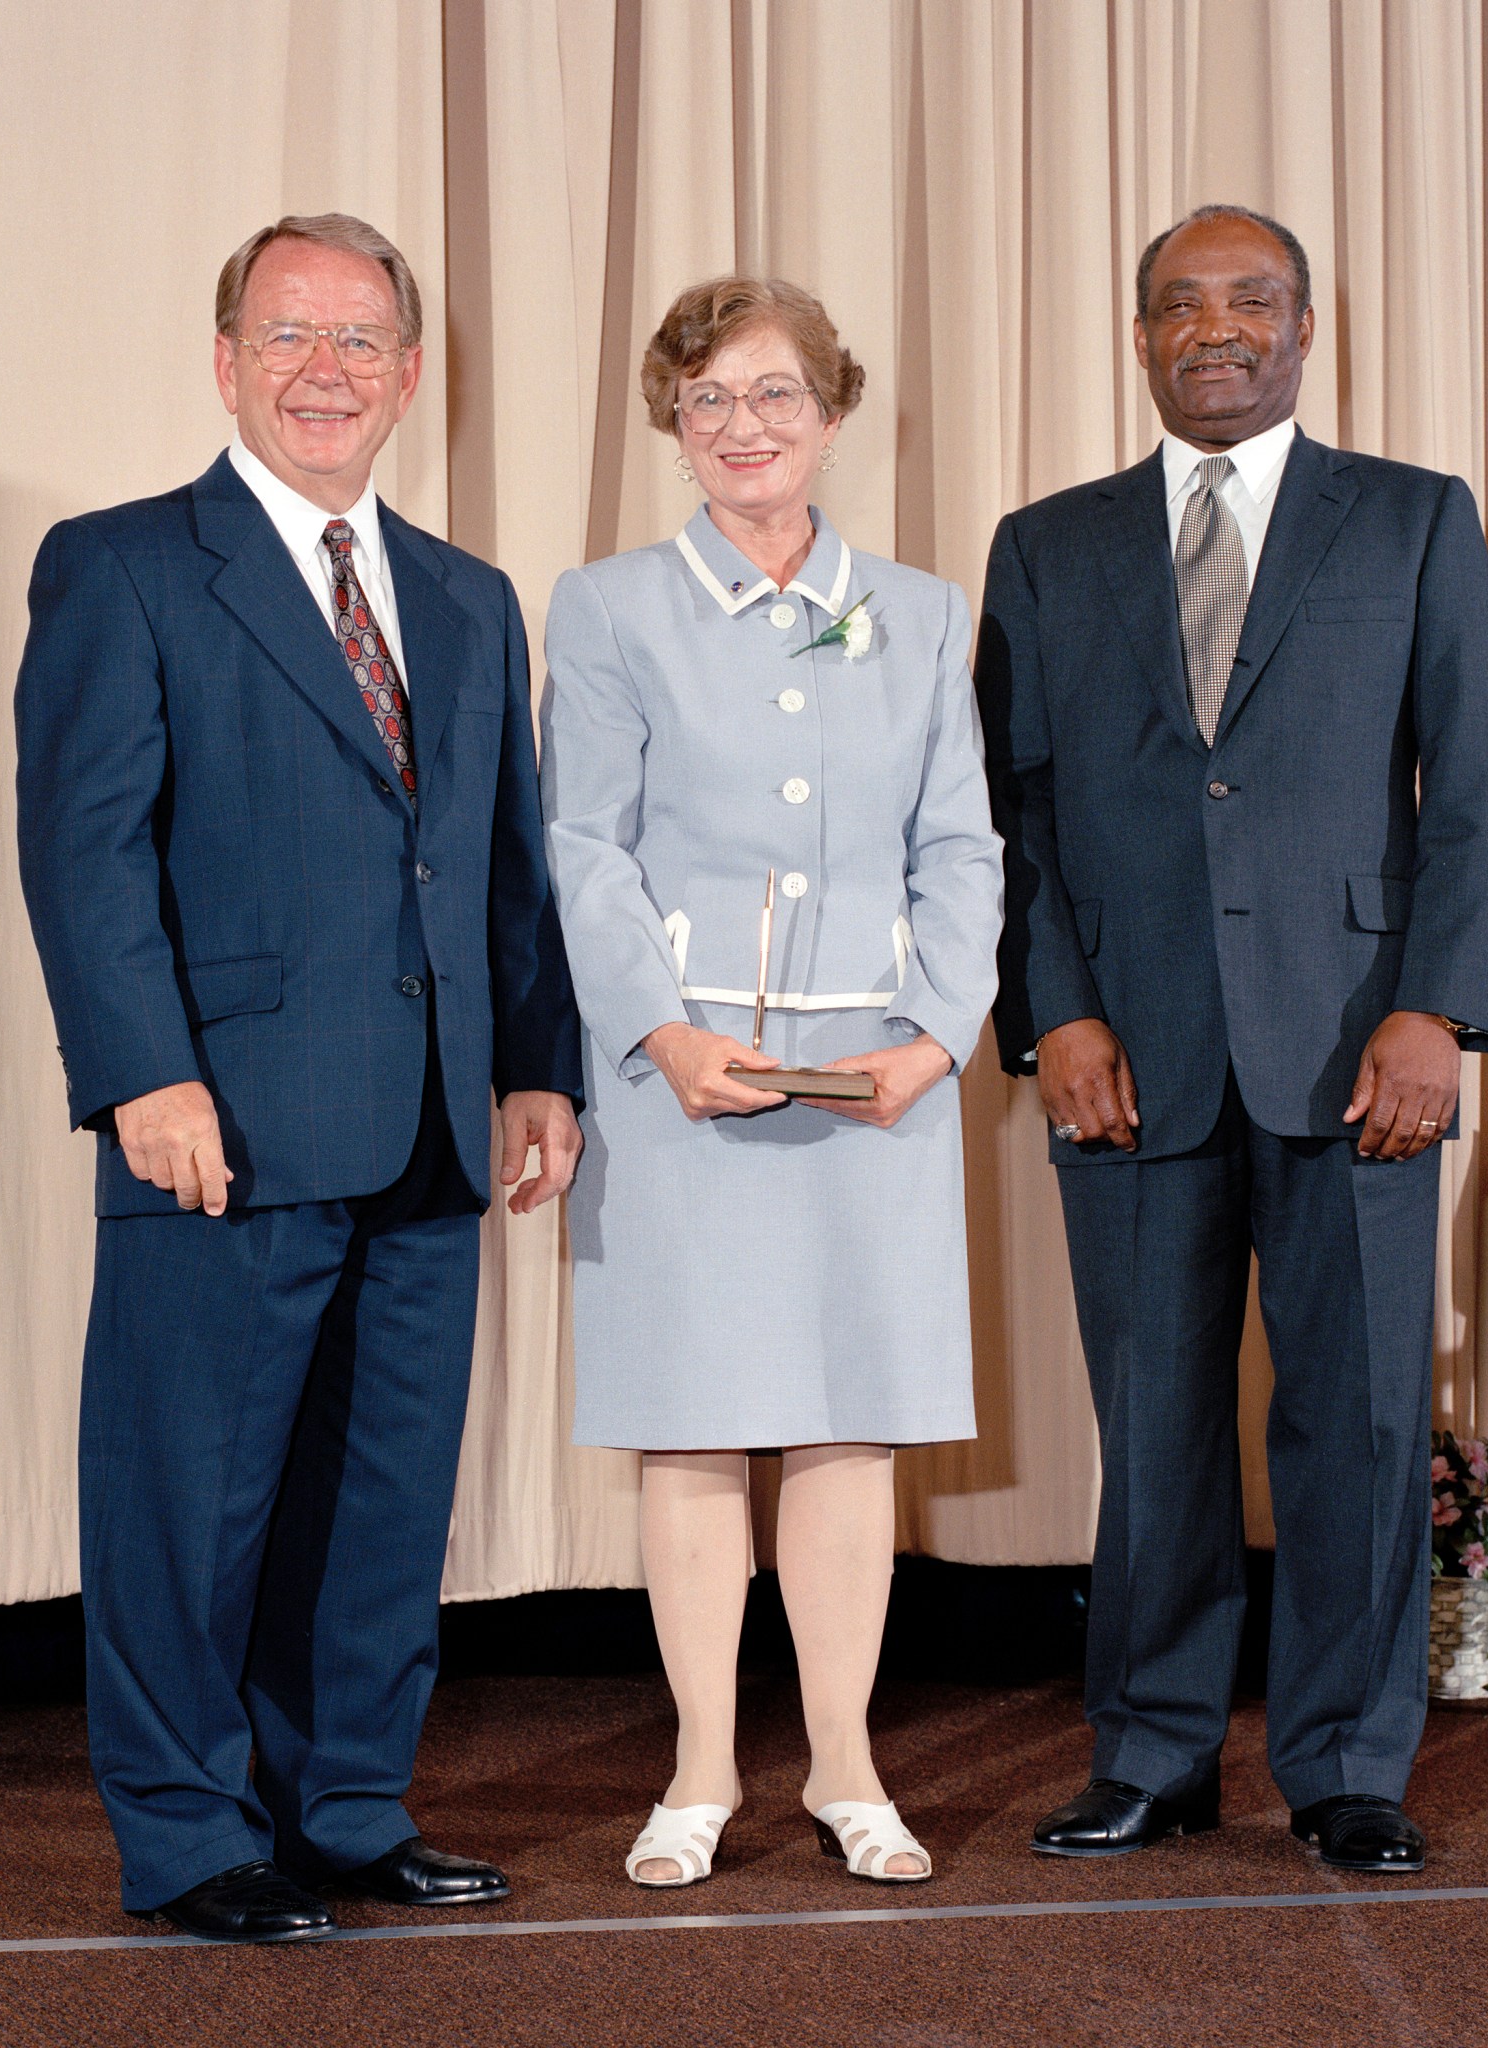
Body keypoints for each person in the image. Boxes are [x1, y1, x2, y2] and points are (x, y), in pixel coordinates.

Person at [15, 213, 582, 1943]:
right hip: (223, 1126)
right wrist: (141, 1080)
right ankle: (190, 1839)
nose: (325, 369)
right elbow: (84, 853)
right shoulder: (121, 566)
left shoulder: (470, 597)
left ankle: (343, 1805)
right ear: (225, 360)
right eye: (290, 336)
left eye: (360, 341)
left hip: (428, 1120)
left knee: (384, 1496)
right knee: (187, 1496)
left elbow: (502, 865)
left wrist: (538, 1069)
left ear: (411, 375)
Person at [976, 205, 1488, 1874]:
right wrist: (1055, 1011)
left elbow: (1477, 794)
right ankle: (1152, 1753)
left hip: (1364, 1049)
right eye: (1178, 305)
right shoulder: (1045, 546)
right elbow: (1016, 818)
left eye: (1252, 300)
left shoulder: (1416, 521)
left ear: (1306, 325)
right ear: (1138, 336)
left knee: (1357, 1421)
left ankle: (1349, 1764)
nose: (1216, 327)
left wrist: (1438, 1012)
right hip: (1124, 1065)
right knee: (1148, 1422)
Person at [542, 276, 1002, 1889]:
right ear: (672, 419)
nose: (743, 427)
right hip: (683, 1085)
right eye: (708, 400)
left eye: (775, 395)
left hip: (874, 1080)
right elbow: (582, 847)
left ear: (832, 409)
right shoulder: (602, 608)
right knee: (691, 1434)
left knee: (846, 1435)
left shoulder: (930, 611)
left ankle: (849, 1767)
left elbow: (961, 844)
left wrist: (938, 1037)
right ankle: (696, 1772)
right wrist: (658, 1038)